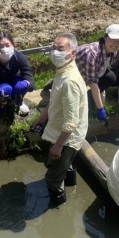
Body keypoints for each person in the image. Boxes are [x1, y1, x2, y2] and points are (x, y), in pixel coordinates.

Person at [32, 33, 88, 207]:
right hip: (66, 131)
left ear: (73, 53)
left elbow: (71, 121)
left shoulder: (69, 81)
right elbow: (56, 99)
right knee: (66, 164)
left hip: (66, 137)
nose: (55, 52)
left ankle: (58, 204)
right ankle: (70, 182)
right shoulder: (63, 71)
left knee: (53, 176)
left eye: (60, 49)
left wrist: (58, 146)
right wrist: (43, 117)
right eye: (54, 48)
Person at [0, 30, 34, 124]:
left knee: (21, 82)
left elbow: (31, 82)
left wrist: (26, 83)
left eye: (7, 45)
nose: (4, 49)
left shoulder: (20, 58)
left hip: (12, 81)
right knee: (4, 88)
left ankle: (18, 101)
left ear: (13, 46)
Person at [75, 24, 119, 122]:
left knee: (110, 77)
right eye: (113, 40)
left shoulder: (112, 51)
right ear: (105, 37)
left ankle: (91, 97)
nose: (116, 44)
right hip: (78, 74)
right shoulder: (92, 54)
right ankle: (87, 100)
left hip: (93, 72)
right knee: (81, 92)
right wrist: (100, 109)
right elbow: (93, 84)